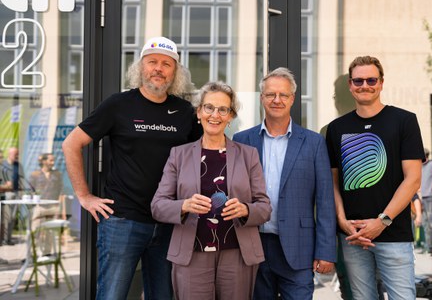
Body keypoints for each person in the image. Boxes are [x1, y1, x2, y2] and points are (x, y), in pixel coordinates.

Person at [62, 36, 203, 300]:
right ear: (140, 67)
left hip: (170, 223)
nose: (158, 69)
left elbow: (200, 156)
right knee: (112, 296)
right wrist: (84, 196)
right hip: (123, 221)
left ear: (176, 72)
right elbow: (71, 144)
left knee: (163, 296)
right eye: (152, 62)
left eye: (166, 64)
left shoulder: (185, 111)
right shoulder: (119, 104)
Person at [151, 82, 271, 300]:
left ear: (230, 116)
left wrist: (245, 209)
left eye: (223, 109)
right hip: (191, 254)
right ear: (199, 112)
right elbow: (157, 206)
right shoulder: (179, 155)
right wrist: (184, 205)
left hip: (238, 254)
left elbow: (264, 208)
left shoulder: (248, 155)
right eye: (208, 107)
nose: (215, 115)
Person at [326, 56, 425, 299]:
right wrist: (342, 220)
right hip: (354, 236)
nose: (364, 85)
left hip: (393, 235)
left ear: (381, 83)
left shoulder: (404, 120)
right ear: (350, 85)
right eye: (358, 81)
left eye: (371, 79)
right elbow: (333, 183)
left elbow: (413, 179)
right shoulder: (336, 128)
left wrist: (382, 221)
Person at [233, 67, 336, 299]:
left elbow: (325, 200)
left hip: (298, 248)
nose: (276, 100)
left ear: (292, 99)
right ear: (262, 98)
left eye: (283, 95)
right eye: (270, 94)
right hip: (253, 244)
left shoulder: (314, 143)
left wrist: (326, 251)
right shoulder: (242, 140)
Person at [29, 153, 64, 231]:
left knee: (51, 232)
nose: (53, 162)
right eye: (51, 160)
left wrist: (60, 207)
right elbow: (31, 191)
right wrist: (34, 204)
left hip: (53, 207)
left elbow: (61, 191)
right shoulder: (35, 174)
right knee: (35, 230)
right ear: (44, 161)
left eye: (53, 160)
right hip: (40, 207)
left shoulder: (57, 174)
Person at [1, 147, 26, 245]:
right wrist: (5, 185)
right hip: (6, 194)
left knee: (12, 217)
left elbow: (22, 179)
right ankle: (4, 239)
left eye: (18, 154)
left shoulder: (18, 166)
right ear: (9, 154)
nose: (17, 156)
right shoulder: (2, 165)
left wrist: (21, 192)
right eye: (15, 154)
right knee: (6, 217)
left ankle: (9, 238)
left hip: (17, 193)